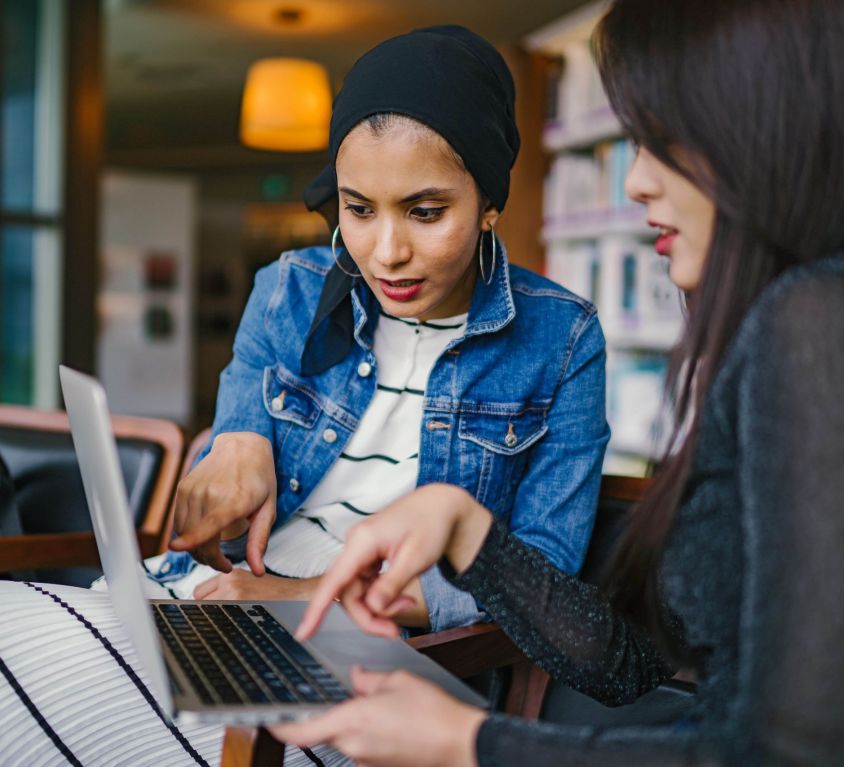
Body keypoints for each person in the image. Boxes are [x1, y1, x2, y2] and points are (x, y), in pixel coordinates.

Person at [0, 25, 610, 767]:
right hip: (217, 600)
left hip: (386, 656)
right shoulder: (289, 287)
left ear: (488, 202)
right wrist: (237, 434)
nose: (385, 251)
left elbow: (535, 581)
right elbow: (224, 481)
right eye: (358, 209)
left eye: (424, 211)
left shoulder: (564, 340)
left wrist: (291, 590)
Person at [270, 0, 844, 764]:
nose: (637, 181)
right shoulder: (775, 328)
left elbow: (785, 755)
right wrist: (464, 527)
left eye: (664, 141)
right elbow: (627, 664)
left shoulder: (811, 323)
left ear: (763, 130)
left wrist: (464, 742)